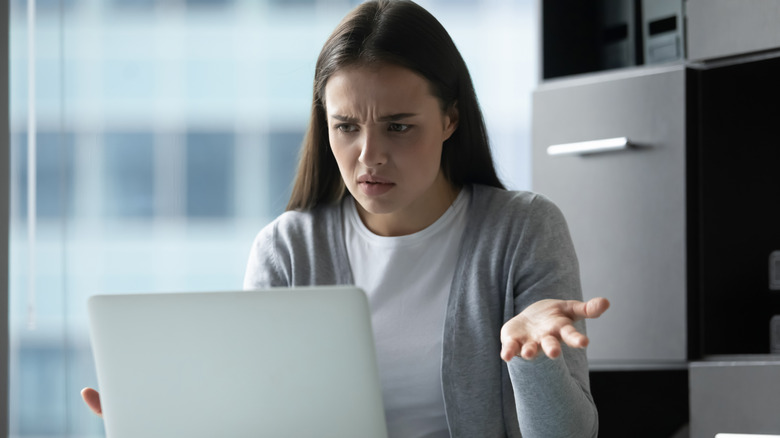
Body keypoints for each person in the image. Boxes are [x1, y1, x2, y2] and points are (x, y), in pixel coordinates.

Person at [82, 0, 610, 436]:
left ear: (450, 118)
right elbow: (263, 422)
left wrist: (529, 358)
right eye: (346, 126)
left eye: (399, 127)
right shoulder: (288, 249)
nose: (368, 155)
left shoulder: (522, 230)